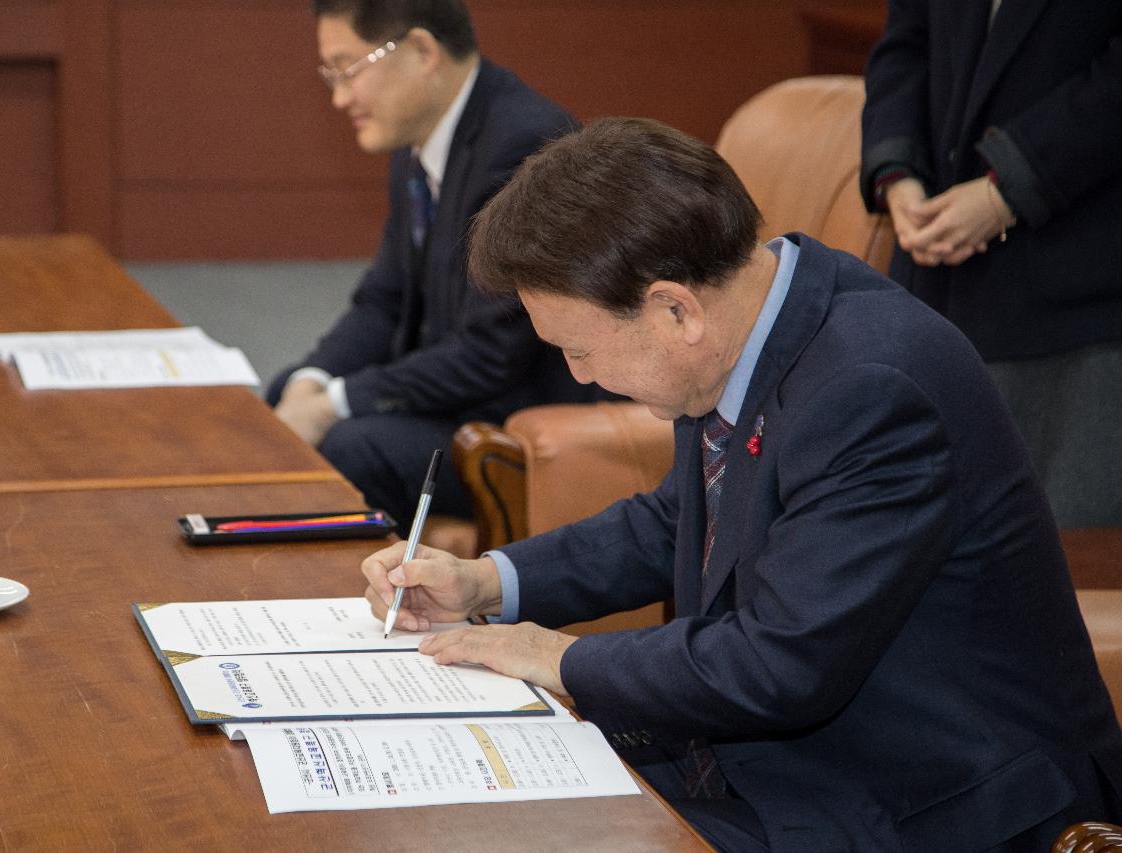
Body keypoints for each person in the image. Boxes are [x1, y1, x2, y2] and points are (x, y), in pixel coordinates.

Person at [359, 118, 1122, 851]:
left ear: (674, 309)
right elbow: (672, 523)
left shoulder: (872, 388)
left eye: (580, 348)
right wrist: (485, 581)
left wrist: (552, 656)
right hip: (780, 763)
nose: (579, 375)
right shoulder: (751, 324)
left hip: (929, 802)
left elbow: (779, 664)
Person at [267, 0, 593, 532]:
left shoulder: (524, 145)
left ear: (421, 51)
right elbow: (383, 301)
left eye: (349, 69)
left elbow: (492, 354)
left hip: (520, 421)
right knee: (284, 389)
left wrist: (332, 404)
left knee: (353, 445)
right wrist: (312, 382)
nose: (339, 96)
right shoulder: (419, 138)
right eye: (331, 75)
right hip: (464, 393)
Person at [860, 2, 1122, 526]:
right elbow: (905, 42)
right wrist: (898, 173)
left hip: (1081, 308)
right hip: (932, 289)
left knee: (1067, 562)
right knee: (911, 557)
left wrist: (1010, 190)